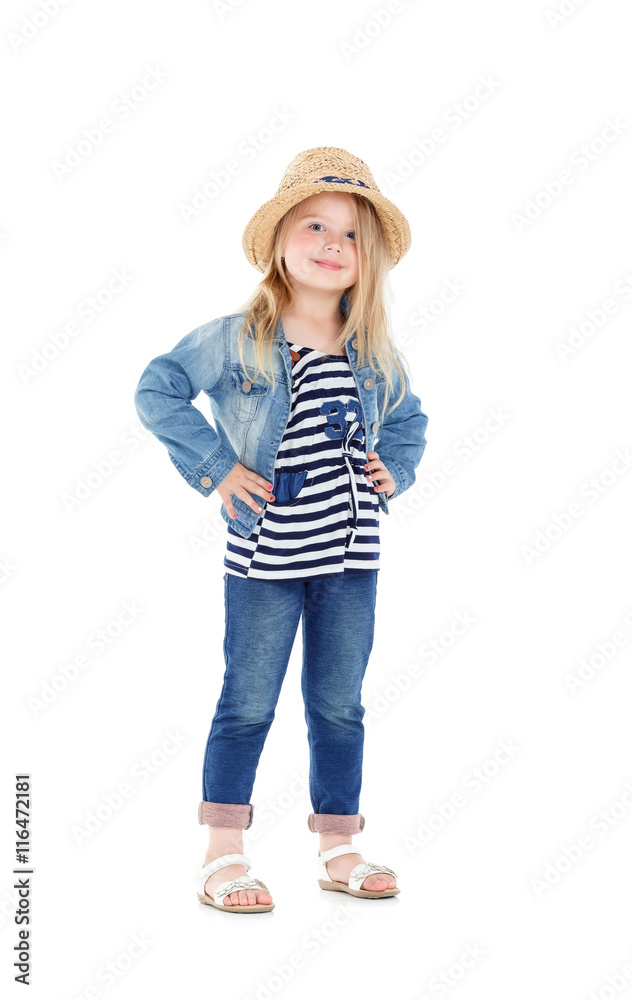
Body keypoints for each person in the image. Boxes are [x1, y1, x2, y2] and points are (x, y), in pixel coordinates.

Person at [134, 147, 428, 913]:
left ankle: (337, 845)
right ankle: (222, 852)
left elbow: (408, 419)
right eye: (315, 225)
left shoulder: (373, 351)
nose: (333, 243)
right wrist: (216, 468)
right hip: (265, 558)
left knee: (339, 705)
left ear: (368, 261)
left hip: (350, 558)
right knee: (247, 702)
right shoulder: (237, 337)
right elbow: (158, 388)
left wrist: (395, 469)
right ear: (278, 241)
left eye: (352, 235)